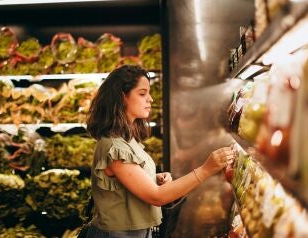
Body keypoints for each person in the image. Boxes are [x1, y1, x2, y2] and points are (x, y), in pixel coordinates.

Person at [85, 65, 235, 238]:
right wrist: (206, 169)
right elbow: (156, 197)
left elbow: (124, 183)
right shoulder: (114, 147)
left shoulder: (127, 140)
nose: (150, 99)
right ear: (122, 97)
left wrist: (153, 178)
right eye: (142, 93)